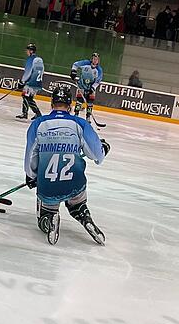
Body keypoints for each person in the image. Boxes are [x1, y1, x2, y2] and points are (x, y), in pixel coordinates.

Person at [24, 87, 110, 245]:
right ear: (70, 105)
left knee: (43, 217)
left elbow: (30, 158)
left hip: (48, 186)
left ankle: (50, 219)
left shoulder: (38, 124)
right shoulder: (80, 124)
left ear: (52, 104)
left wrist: (32, 177)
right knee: (77, 203)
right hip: (74, 184)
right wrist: (104, 148)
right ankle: (84, 216)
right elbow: (97, 156)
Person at [71, 52, 104, 123]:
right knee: (79, 101)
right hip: (81, 86)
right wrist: (73, 71)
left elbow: (98, 81)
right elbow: (75, 64)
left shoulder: (99, 70)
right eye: (94, 59)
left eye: (97, 59)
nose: (95, 60)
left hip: (91, 88)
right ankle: (76, 115)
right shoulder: (85, 63)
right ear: (91, 59)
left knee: (90, 103)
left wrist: (92, 88)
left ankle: (88, 117)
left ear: (98, 60)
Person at [16, 43, 44, 120]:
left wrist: (22, 82)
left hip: (30, 83)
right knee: (27, 96)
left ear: (31, 51)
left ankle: (37, 113)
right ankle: (25, 113)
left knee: (27, 97)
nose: (26, 52)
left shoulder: (30, 59)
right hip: (37, 82)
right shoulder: (39, 59)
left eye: (27, 50)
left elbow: (28, 72)